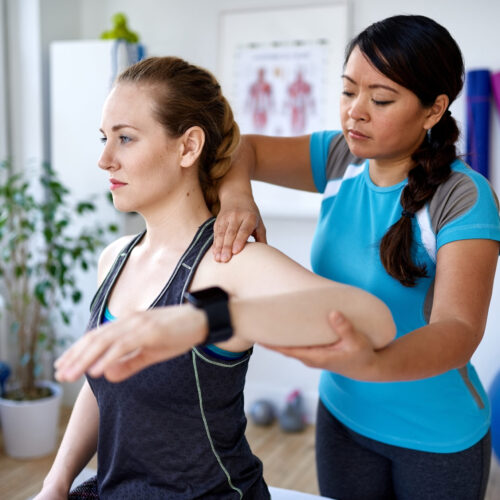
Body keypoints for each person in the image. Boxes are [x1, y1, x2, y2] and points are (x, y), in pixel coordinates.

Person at [39, 56, 395, 500]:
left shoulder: (230, 262)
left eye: (125, 138)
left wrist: (205, 319)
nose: (104, 159)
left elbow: (375, 322)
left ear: (188, 147)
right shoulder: (114, 258)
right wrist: (55, 484)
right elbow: (105, 385)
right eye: (104, 138)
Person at [211, 14, 500, 500]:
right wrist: (238, 196)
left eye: (380, 99)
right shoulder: (342, 158)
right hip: (342, 417)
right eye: (348, 92)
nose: (355, 113)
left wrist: (369, 362)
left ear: (434, 109)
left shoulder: (463, 197)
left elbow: (458, 332)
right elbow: (244, 149)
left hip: (436, 435)